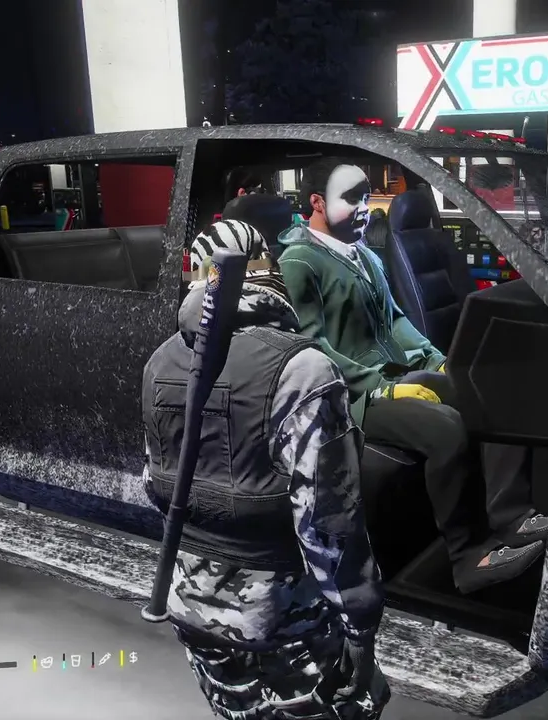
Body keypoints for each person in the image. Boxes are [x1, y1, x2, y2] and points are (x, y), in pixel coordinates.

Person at [143, 219, 389, 720]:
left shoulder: (158, 363)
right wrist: (361, 626)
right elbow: (328, 523)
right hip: (284, 618)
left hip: (191, 606)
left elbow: (155, 484)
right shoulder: (304, 369)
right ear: (270, 272)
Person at [277, 159, 548, 594]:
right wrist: (383, 388)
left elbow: (397, 321)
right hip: (350, 395)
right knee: (445, 429)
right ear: (318, 203)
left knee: (489, 395)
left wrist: (437, 360)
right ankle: (465, 557)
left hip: (394, 375)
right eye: (351, 198)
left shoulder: (364, 254)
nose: (364, 208)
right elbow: (312, 350)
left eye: (366, 198)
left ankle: (509, 515)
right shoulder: (299, 262)